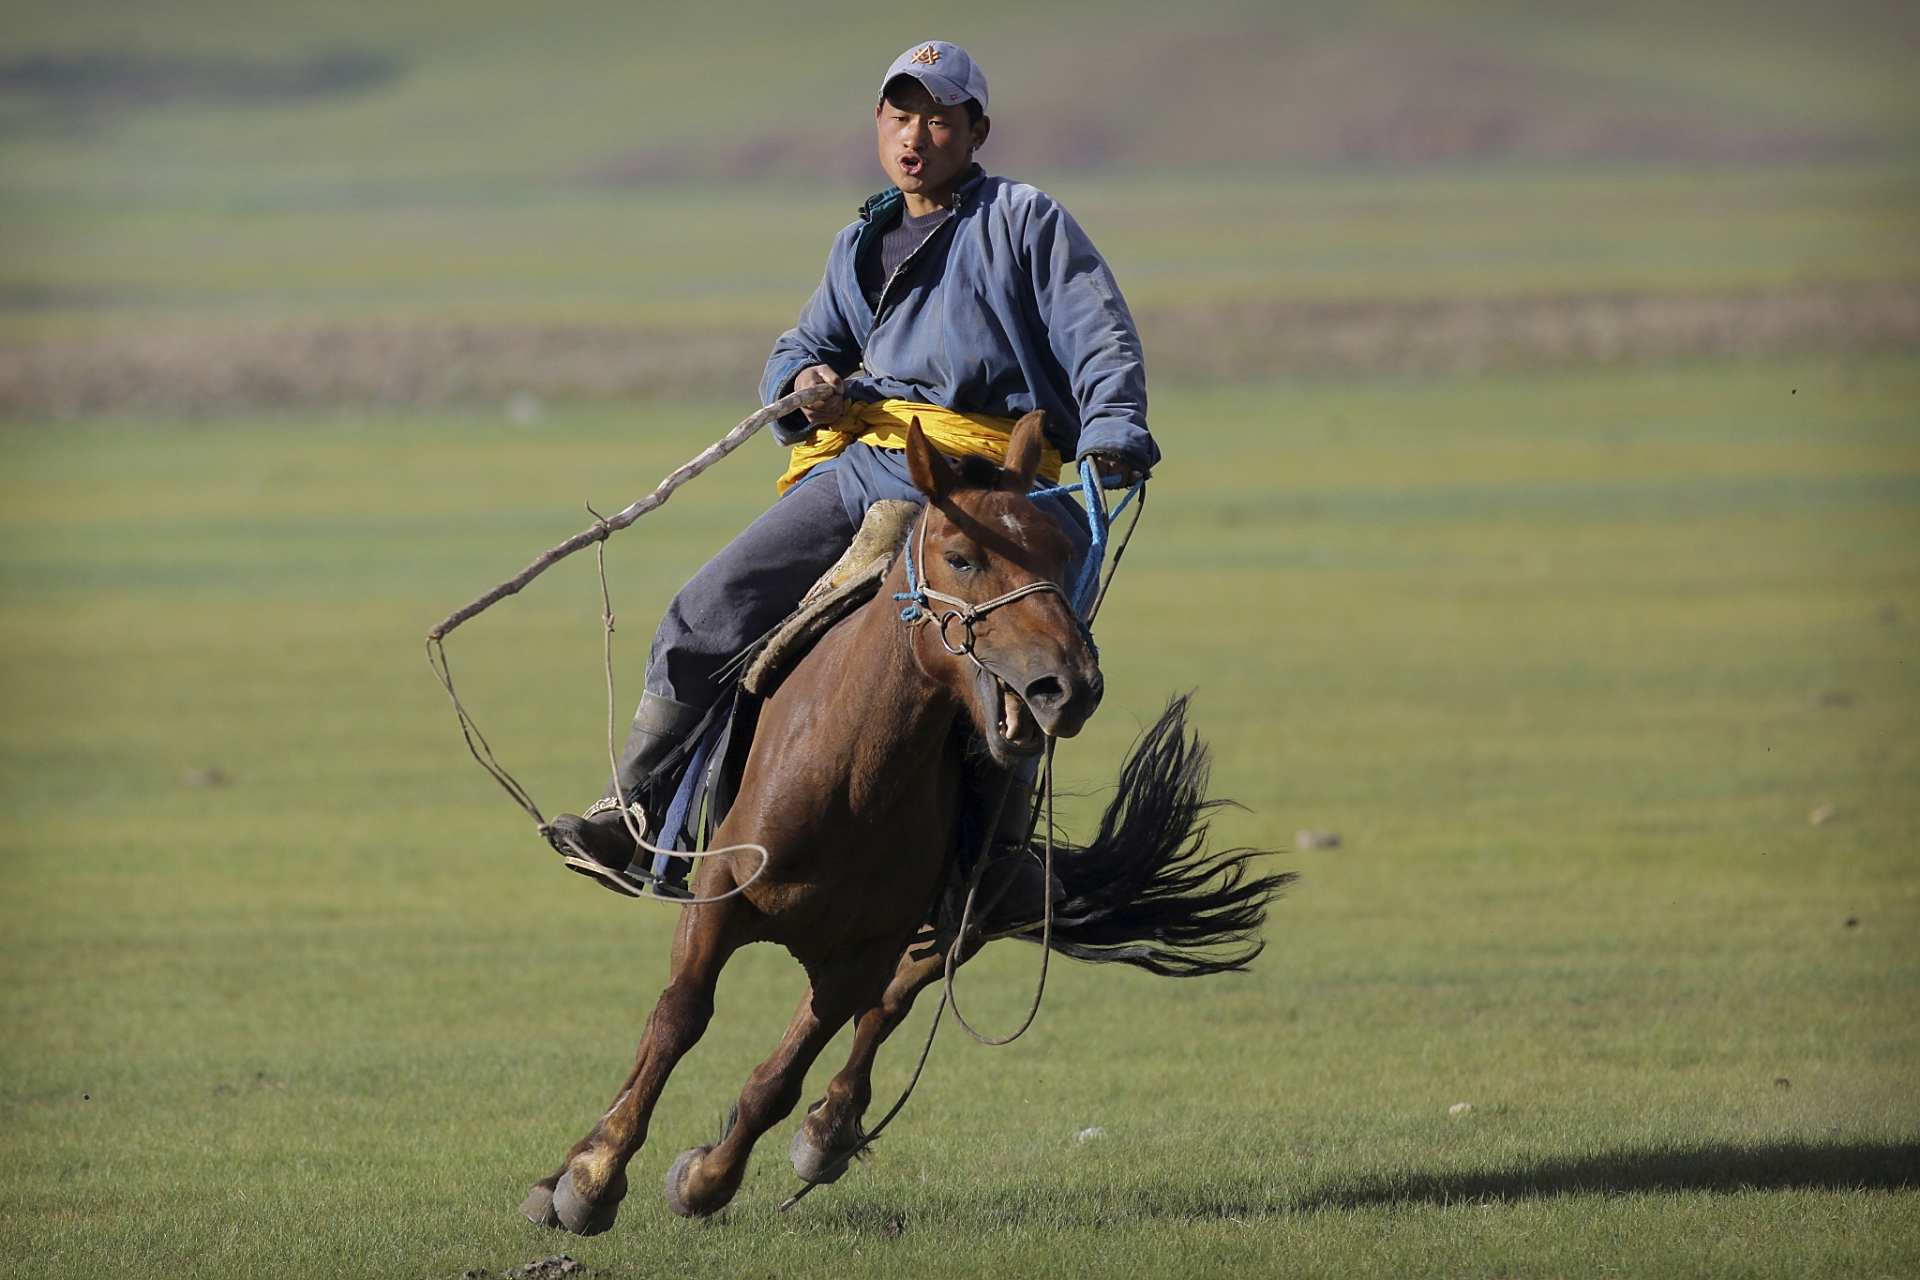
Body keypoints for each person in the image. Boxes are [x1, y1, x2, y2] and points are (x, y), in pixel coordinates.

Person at [544, 40, 1158, 912]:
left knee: (1024, 657)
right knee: (710, 602)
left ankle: (996, 860)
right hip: (870, 466)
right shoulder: (862, 240)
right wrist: (806, 381)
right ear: (879, 124)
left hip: (989, 487)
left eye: (938, 119)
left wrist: (1113, 429)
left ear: (977, 131)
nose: (916, 136)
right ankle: (635, 815)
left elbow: (1097, 330)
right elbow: (804, 343)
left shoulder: (1024, 220)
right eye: (901, 116)